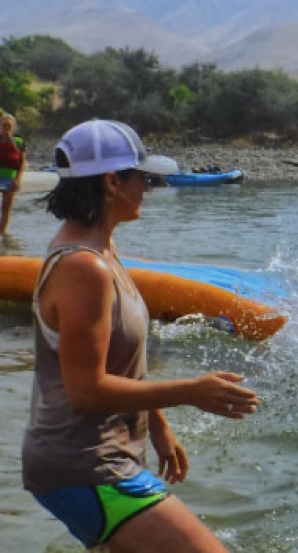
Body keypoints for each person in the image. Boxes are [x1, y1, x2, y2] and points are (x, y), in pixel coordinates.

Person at [22, 119, 260, 553]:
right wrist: (191, 390)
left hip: (100, 458)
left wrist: (157, 426)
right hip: (85, 467)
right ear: (113, 182)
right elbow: (86, 391)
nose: (149, 187)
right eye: (143, 177)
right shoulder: (84, 268)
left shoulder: (102, 251)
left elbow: (117, 362)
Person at [0, 111, 26, 235]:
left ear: (12, 127)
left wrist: (18, 179)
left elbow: (22, 163)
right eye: (4, 125)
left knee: (6, 208)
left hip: (10, 179)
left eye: (9, 126)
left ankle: (2, 235)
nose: (6, 128)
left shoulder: (18, 142)